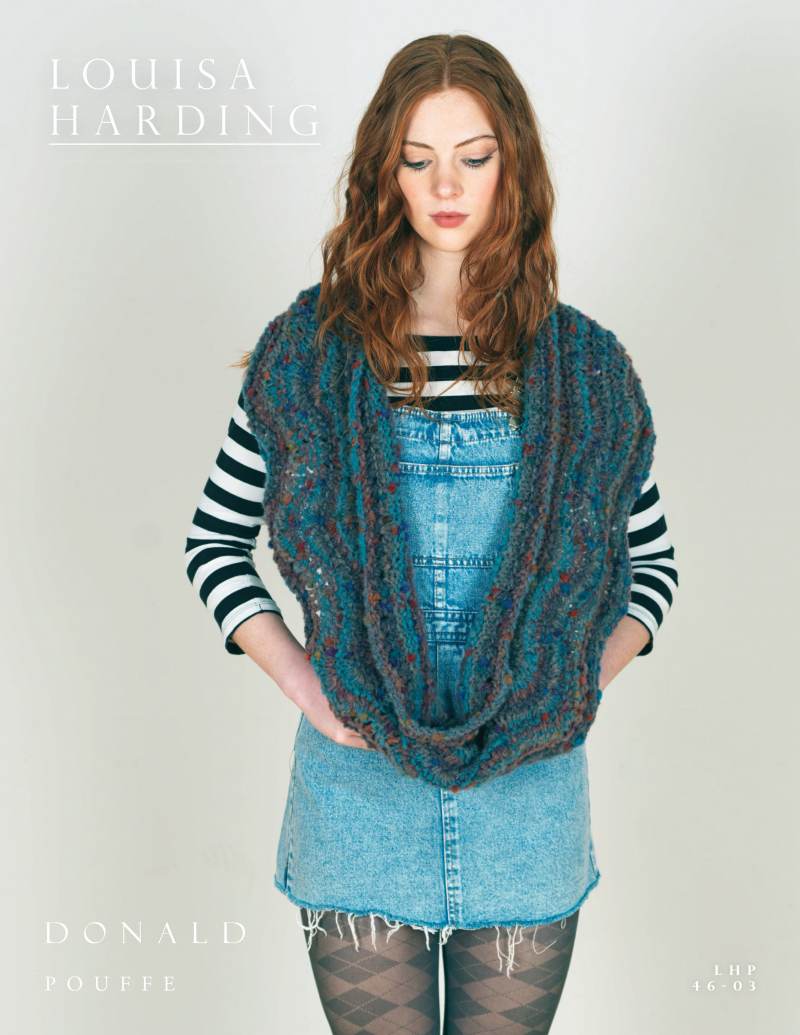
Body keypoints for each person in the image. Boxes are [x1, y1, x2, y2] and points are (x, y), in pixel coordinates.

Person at [185, 34, 679, 1035]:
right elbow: (213, 542)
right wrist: (312, 692)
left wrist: (570, 686)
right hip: (358, 800)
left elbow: (652, 568)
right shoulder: (307, 355)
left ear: (513, 166)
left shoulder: (586, 368)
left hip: (528, 802)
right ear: (386, 172)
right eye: (418, 160)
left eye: (473, 156)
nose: (445, 186)